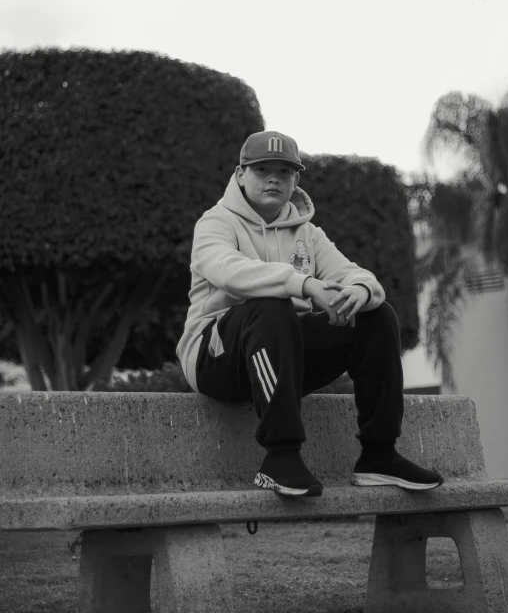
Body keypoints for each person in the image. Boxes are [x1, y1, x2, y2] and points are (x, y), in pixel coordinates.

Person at [177, 130, 443, 497]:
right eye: (261, 169)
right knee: (270, 306)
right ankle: (281, 457)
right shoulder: (215, 223)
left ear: (295, 179)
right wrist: (302, 284)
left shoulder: (308, 233)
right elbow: (228, 272)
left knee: (376, 315)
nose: (273, 178)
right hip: (216, 357)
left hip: (280, 355)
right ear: (240, 174)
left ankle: (379, 456)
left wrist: (357, 291)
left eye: (284, 171)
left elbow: (355, 274)